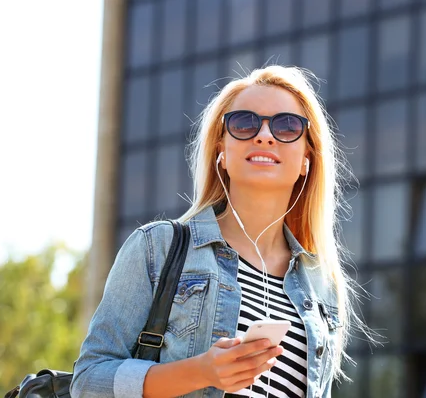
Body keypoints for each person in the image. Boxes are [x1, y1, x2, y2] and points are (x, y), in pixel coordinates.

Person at [71, 65, 370, 398]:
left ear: (306, 159)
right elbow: (88, 380)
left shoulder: (319, 285)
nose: (265, 135)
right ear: (221, 151)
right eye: (244, 123)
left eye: (287, 126)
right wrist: (202, 372)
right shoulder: (157, 248)